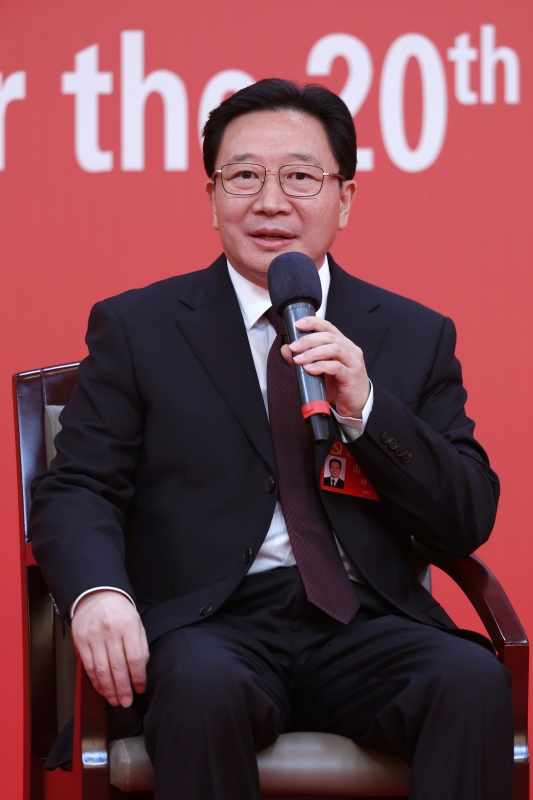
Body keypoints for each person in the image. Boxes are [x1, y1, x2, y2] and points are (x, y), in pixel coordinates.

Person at [29, 78, 513, 800]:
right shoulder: (140, 328)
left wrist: (367, 407)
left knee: (470, 681)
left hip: (363, 623)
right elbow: (78, 487)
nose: (271, 202)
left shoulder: (412, 334)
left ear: (344, 199)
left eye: (300, 177)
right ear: (211, 197)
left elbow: (465, 515)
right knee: (201, 688)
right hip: (208, 626)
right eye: (244, 176)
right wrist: (99, 593)